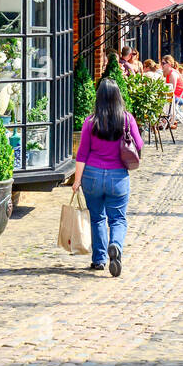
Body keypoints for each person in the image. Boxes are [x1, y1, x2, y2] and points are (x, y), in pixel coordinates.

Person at [71, 79, 142, 276]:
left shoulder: (90, 122)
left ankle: (99, 259)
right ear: (118, 96)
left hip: (92, 176)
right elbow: (139, 144)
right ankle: (116, 245)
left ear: (99, 97)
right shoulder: (127, 119)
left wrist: (76, 181)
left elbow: (82, 154)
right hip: (117, 176)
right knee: (118, 219)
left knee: (97, 218)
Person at [160, 55, 183, 128]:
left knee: (161, 99)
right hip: (177, 96)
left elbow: (172, 91)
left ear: (169, 64)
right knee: (161, 97)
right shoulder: (169, 73)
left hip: (179, 98)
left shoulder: (172, 74)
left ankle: (166, 120)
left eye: (163, 63)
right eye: (161, 63)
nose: (161, 65)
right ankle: (166, 120)